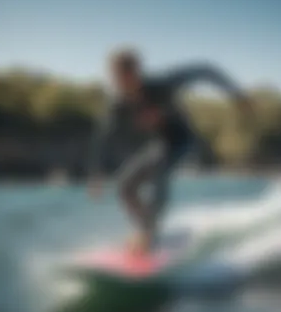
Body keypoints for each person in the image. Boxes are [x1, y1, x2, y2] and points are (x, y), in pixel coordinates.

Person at [88, 48, 252, 253]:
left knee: (159, 172)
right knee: (124, 187)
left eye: (120, 77)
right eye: (113, 78)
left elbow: (203, 70)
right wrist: (96, 173)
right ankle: (147, 228)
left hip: (184, 141)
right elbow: (104, 137)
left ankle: (148, 235)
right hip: (160, 146)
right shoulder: (119, 105)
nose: (116, 83)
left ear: (135, 73)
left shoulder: (162, 86)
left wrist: (236, 93)